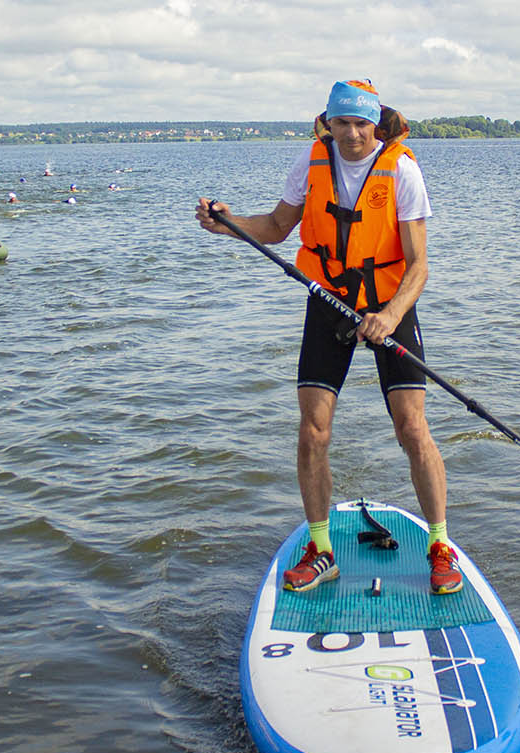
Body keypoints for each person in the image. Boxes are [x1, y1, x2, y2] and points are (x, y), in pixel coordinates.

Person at [194, 79, 463, 595]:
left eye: (363, 124)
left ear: (376, 123)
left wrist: (388, 314)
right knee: (313, 430)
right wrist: (228, 225)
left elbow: (419, 266)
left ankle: (440, 546)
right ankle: (321, 551)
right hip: (328, 300)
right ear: (329, 123)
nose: (354, 134)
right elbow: (275, 226)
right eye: (343, 123)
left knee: (411, 427)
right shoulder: (313, 162)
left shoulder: (402, 169)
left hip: (390, 302)